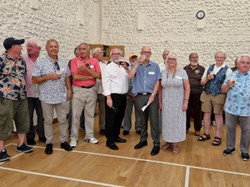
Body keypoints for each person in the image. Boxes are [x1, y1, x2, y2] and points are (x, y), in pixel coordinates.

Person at [32, 39, 72, 154]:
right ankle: (49, 142)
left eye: (55, 46)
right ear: (47, 48)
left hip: (61, 96)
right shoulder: (40, 62)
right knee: (48, 121)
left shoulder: (64, 62)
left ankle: (64, 141)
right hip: (46, 97)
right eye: (51, 46)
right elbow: (34, 80)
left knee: (63, 120)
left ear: (58, 48)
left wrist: (69, 90)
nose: (54, 48)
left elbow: (67, 77)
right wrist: (48, 77)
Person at [0, 37, 33, 162]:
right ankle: (1, 150)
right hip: (6, 97)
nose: (22, 47)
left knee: (23, 121)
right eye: (19, 44)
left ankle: (21, 145)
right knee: (3, 123)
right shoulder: (1, 60)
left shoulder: (21, 61)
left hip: (21, 95)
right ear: (13, 46)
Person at [128, 46, 161, 156]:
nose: (146, 54)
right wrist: (137, 64)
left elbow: (158, 82)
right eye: (144, 52)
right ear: (141, 53)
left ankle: (156, 143)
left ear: (150, 54)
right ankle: (143, 140)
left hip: (152, 97)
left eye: (148, 52)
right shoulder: (135, 65)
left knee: (154, 121)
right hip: (139, 97)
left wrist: (153, 95)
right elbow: (130, 76)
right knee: (142, 119)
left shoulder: (155, 66)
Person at [70, 43, 101, 147]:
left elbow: (99, 76)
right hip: (78, 90)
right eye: (80, 49)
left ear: (88, 50)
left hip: (91, 90)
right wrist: (91, 77)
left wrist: (87, 70)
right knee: (75, 115)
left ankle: (89, 136)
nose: (82, 51)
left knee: (90, 115)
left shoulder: (94, 61)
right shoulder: (74, 61)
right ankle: (73, 138)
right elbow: (75, 77)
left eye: (84, 49)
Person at [198, 51, 232, 145]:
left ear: (224, 58)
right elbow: (201, 83)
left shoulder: (228, 70)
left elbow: (228, 86)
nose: (219, 59)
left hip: (219, 94)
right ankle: (207, 133)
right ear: (215, 57)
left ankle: (218, 136)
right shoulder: (209, 67)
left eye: (221, 57)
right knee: (206, 114)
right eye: (217, 57)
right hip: (207, 93)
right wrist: (208, 78)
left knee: (218, 115)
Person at [159, 52, 190, 154]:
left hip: (178, 103)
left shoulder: (182, 72)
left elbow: (187, 88)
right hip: (166, 103)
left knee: (177, 123)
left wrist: (186, 101)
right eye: (169, 59)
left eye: (173, 59)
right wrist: (160, 101)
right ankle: (168, 141)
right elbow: (160, 89)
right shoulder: (163, 72)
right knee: (167, 122)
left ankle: (175, 144)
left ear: (177, 61)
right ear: (167, 60)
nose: (171, 60)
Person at [221, 55, 250, 161]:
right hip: (231, 108)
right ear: (237, 64)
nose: (245, 65)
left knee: (246, 130)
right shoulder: (231, 75)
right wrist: (227, 86)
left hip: (247, 110)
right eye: (243, 62)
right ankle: (230, 147)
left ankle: (244, 150)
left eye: (247, 63)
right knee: (230, 129)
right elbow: (223, 90)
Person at [102, 48, 128, 150]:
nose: (116, 56)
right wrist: (108, 98)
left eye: (118, 54)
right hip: (112, 96)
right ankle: (110, 140)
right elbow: (105, 83)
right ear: (111, 55)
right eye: (114, 54)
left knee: (119, 118)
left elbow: (127, 78)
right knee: (111, 119)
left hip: (123, 96)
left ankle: (116, 136)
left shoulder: (122, 68)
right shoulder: (108, 68)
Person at [22, 38, 46, 145]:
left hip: (42, 94)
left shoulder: (44, 61)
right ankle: (30, 136)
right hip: (28, 93)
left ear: (39, 49)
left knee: (42, 116)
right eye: (28, 46)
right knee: (28, 117)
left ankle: (42, 134)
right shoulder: (22, 58)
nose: (28, 48)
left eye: (31, 46)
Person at [184, 53, 205, 136]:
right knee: (186, 112)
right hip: (187, 94)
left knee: (197, 112)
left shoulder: (202, 69)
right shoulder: (185, 69)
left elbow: (204, 80)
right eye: (192, 57)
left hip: (198, 94)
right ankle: (186, 127)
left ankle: (197, 129)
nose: (194, 59)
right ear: (189, 59)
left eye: (196, 57)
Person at [123, 53, 141, 135]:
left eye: (135, 58)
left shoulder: (140, 69)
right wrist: (128, 92)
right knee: (127, 112)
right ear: (129, 60)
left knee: (138, 112)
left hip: (137, 94)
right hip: (128, 94)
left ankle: (138, 128)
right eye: (132, 58)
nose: (133, 59)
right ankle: (126, 128)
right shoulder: (125, 69)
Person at [67, 47, 85, 132]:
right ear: (76, 54)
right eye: (80, 52)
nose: (82, 52)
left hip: (86, 88)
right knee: (73, 110)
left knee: (85, 109)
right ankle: (71, 128)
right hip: (75, 88)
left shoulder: (87, 61)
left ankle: (83, 124)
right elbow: (69, 77)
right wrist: (69, 89)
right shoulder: (71, 62)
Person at [92, 47, 106, 135]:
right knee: (90, 111)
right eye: (100, 53)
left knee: (103, 111)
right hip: (92, 90)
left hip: (102, 90)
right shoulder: (90, 63)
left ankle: (102, 127)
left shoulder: (105, 64)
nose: (102, 54)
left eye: (102, 53)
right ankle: (89, 128)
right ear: (94, 55)